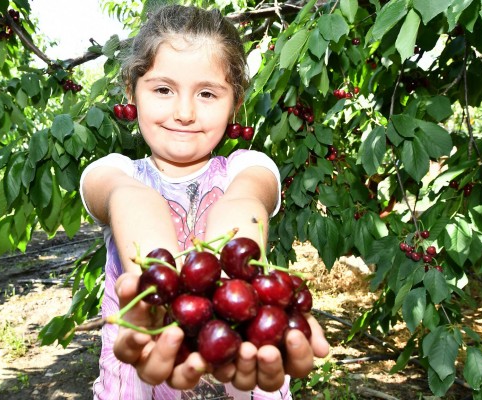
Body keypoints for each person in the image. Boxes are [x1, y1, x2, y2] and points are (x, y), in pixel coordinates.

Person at [79, 5, 330, 399]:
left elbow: (243, 205)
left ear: (235, 102)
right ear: (132, 91)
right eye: (163, 90)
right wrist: (166, 295)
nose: (184, 112)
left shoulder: (249, 167)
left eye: (208, 93)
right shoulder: (114, 174)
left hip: (246, 371)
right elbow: (130, 201)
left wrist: (236, 289)